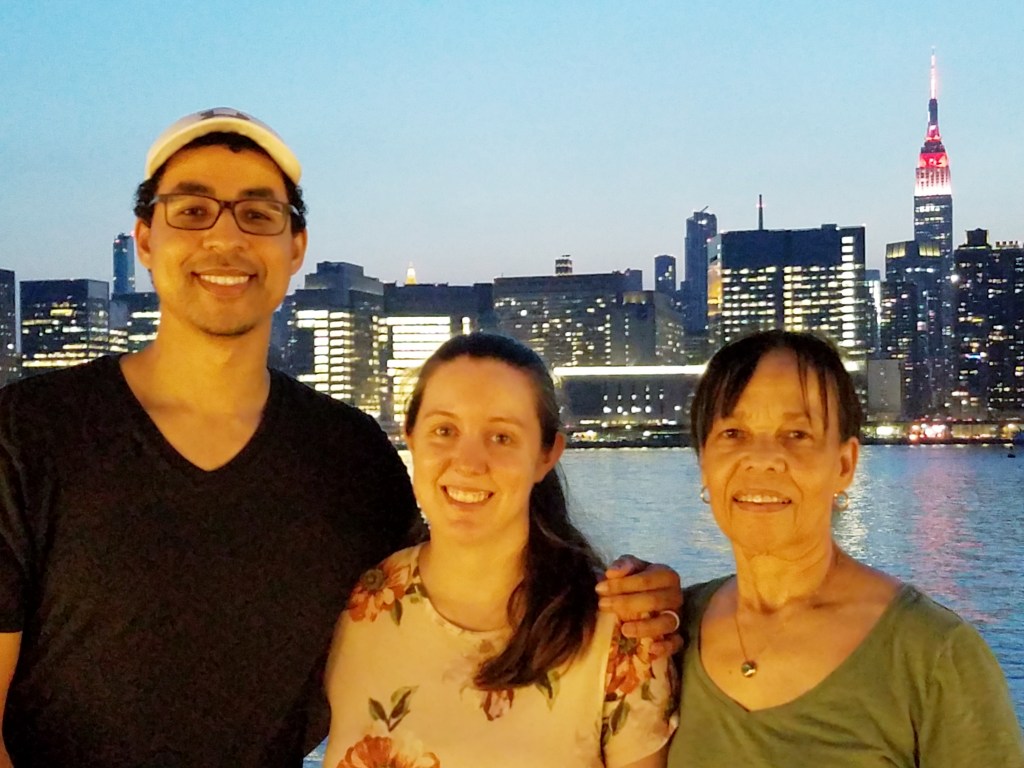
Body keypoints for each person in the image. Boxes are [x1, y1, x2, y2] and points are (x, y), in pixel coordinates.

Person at [0, 108, 682, 766]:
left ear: (296, 248)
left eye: (258, 214)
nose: (225, 236)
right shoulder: (29, 434)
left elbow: (460, 583)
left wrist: (634, 598)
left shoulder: (350, 455)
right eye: (192, 209)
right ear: (146, 239)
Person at [667, 330, 1024, 767]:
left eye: (796, 434)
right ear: (704, 461)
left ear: (844, 465)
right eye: (734, 432)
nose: (762, 458)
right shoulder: (668, 633)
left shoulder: (931, 655)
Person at [323, 333, 678, 768]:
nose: (469, 462)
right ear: (410, 437)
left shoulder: (617, 632)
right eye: (444, 431)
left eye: (501, 437)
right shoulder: (356, 605)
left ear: (546, 455)